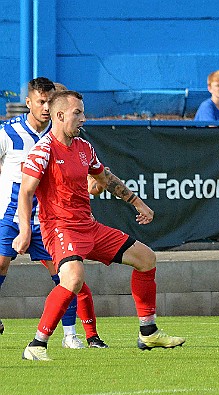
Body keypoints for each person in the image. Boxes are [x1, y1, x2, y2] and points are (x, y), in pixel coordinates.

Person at [13, 90, 185, 361]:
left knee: (146, 258)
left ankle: (148, 332)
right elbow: (26, 192)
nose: (83, 118)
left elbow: (103, 176)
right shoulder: (43, 149)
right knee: (73, 278)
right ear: (59, 116)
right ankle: (36, 345)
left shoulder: (84, 148)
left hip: (88, 226)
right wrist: (24, 231)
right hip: (60, 227)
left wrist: (136, 202)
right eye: (77, 113)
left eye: (83, 112)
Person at [0, 77, 107, 349]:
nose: (46, 107)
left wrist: (94, 183)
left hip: (48, 221)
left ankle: (71, 334)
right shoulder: (8, 132)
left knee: (66, 277)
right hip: (12, 216)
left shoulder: (61, 135)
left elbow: (86, 173)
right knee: (1, 264)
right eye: (41, 102)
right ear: (28, 103)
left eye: (50, 102)